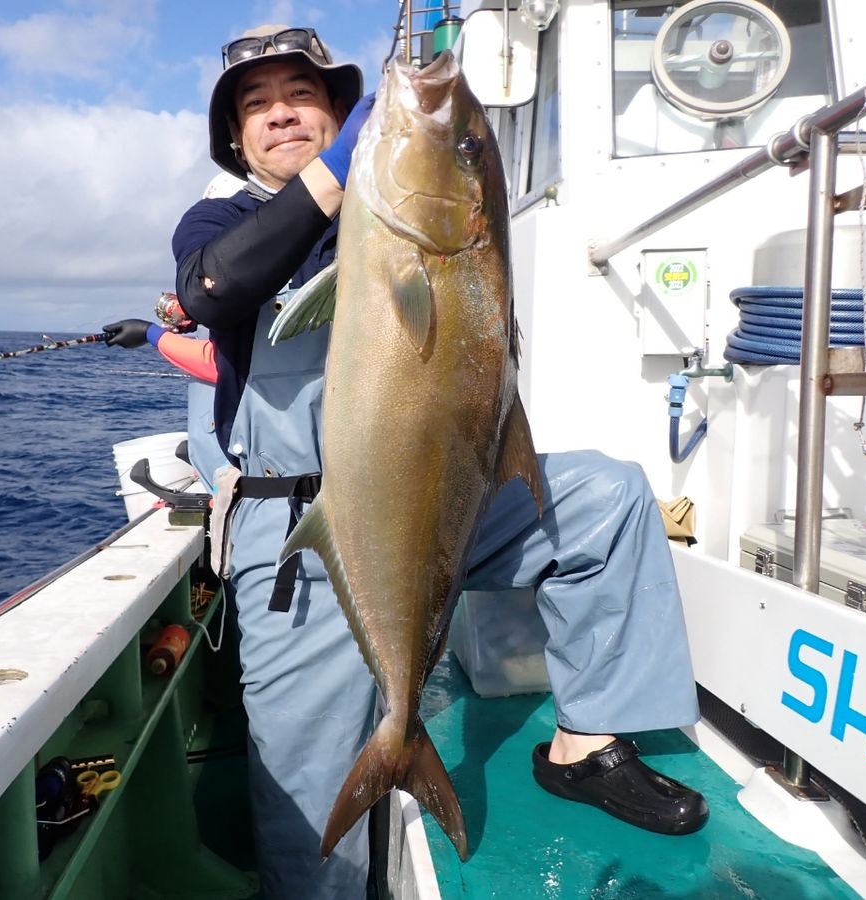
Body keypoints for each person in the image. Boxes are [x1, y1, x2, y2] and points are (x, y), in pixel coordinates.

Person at [137, 23, 709, 899]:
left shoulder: (408, 222)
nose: (282, 114)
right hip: (309, 530)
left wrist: (419, 145)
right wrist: (356, 172)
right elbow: (216, 286)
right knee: (308, 804)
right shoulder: (225, 222)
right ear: (236, 137)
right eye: (258, 106)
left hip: (446, 506)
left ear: (342, 117)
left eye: (304, 97)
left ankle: (584, 743)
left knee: (608, 493)